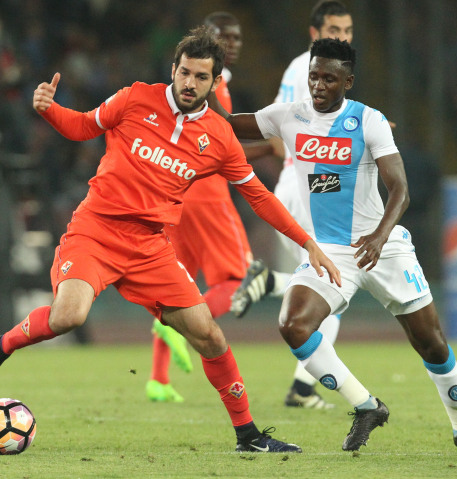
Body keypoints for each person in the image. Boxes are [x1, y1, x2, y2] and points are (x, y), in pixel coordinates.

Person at [0, 26, 343, 453]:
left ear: (215, 82)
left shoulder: (219, 136)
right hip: (97, 230)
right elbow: (83, 126)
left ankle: (248, 436)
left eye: (200, 77)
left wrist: (308, 243)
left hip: (149, 246)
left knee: (210, 337)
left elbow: (258, 197)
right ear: (173, 69)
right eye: (183, 73)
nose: (189, 83)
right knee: (69, 316)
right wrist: (50, 110)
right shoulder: (135, 97)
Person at [211, 37, 457, 452]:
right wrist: (209, 77)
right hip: (329, 252)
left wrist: (381, 235)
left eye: (329, 78)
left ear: (348, 81)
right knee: (293, 325)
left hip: (382, 244)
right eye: (314, 76)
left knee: (430, 340)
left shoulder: (369, 121)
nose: (318, 85)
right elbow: (226, 122)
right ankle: (367, 407)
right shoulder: (287, 115)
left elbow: (400, 188)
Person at [232, 0, 354, 411]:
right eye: (334, 29)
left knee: (327, 290)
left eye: (348, 30)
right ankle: (303, 387)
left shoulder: (299, 68)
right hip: (310, 193)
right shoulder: (316, 72)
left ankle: (302, 386)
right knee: (336, 286)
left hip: (298, 188)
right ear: (314, 32)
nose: (343, 37)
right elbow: (304, 143)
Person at [145, 12, 273, 403]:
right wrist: (271, 145)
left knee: (176, 284)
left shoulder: (191, 86)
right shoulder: (210, 89)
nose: (232, 43)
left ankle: (158, 380)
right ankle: (177, 326)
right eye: (223, 37)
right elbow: (224, 145)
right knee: (238, 279)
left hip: (175, 195)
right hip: (209, 196)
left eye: (236, 38)